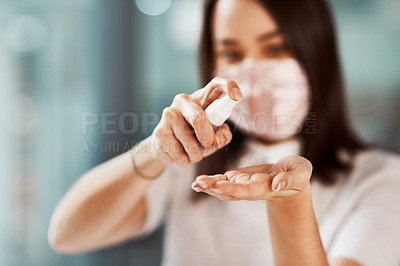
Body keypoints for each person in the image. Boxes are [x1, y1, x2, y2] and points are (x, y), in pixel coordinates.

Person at [48, 0, 400, 265]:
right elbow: (67, 234)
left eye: (275, 48)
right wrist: (156, 151)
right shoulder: (189, 163)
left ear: (316, 55)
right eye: (231, 52)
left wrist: (287, 200)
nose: (251, 70)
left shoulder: (380, 181)